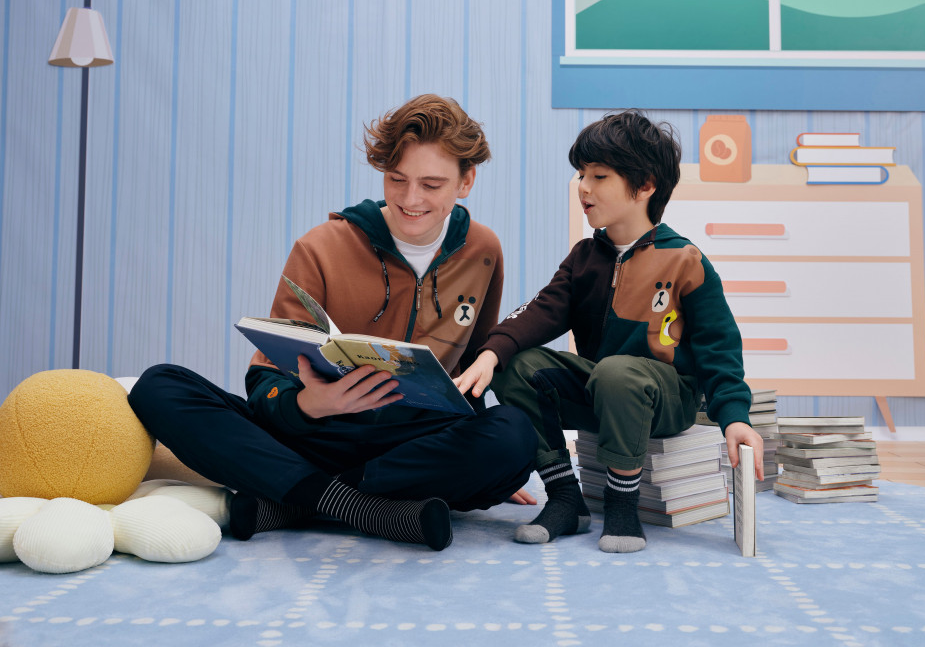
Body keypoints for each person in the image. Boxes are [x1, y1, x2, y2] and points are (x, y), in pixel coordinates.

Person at [130, 94, 537, 552]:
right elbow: (265, 381)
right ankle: (366, 508)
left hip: (411, 443)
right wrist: (309, 405)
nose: (410, 199)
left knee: (515, 435)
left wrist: (492, 460)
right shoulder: (320, 246)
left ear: (466, 181)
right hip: (314, 432)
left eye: (431, 184)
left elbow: (470, 376)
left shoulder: (483, 250)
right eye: (397, 179)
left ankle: (298, 501)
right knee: (159, 386)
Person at [455, 110, 764, 554]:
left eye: (599, 176)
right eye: (581, 174)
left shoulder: (685, 260)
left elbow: (720, 348)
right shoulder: (584, 258)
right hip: (602, 390)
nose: (583, 186)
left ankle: (622, 505)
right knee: (516, 364)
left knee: (618, 371)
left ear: (645, 185)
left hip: (666, 399)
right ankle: (566, 498)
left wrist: (735, 417)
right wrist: (491, 354)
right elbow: (541, 311)